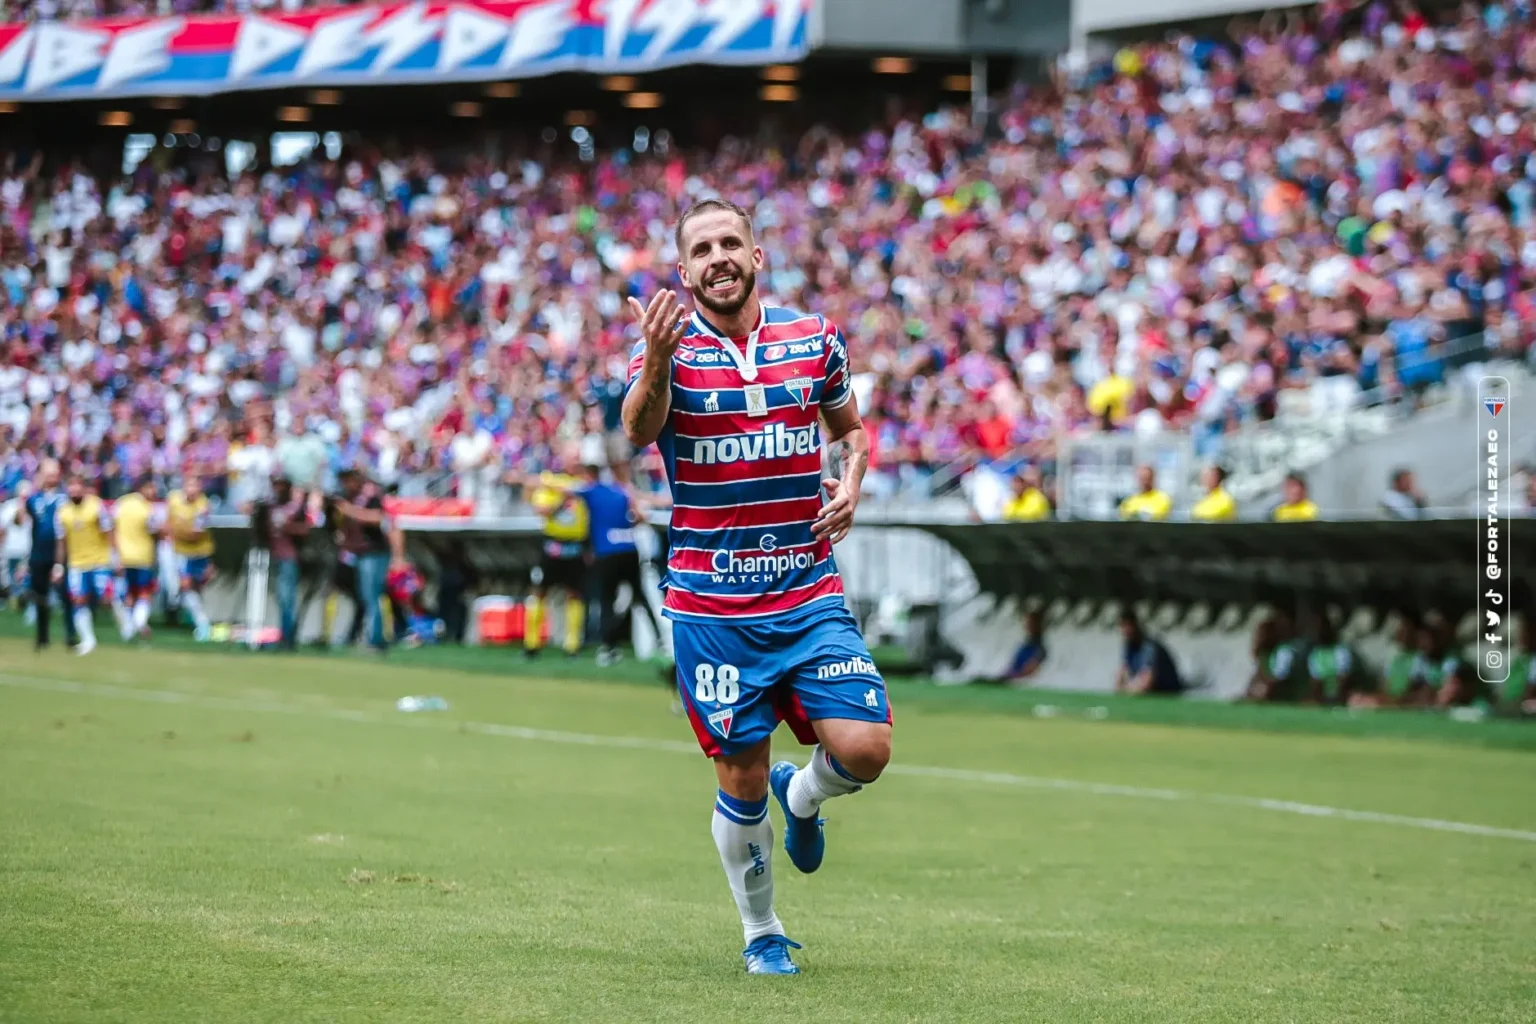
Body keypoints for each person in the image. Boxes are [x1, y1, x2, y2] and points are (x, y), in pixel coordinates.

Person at [621, 198, 892, 976]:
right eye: (701, 249)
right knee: (738, 778)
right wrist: (660, 359)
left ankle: (802, 795)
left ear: (757, 253)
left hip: (808, 593)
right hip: (712, 607)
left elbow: (849, 430)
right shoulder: (665, 348)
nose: (718, 257)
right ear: (684, 271)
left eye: (729, 242)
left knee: (866, 748)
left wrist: (852, 480)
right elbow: (640, 429)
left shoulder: (814, 338)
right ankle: (762, 931)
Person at [577, 461, 663, 667]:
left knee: (607, 600)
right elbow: (640, 516)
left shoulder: (592, 491)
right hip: (628, 549)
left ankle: (608, 647)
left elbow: (563, 489)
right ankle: (660, 639)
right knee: (639, 597)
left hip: (607, 553)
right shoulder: (624, 492)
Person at [517, 462, 591, 659]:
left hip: (576, 547)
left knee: (574, 595)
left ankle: (572, 645)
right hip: (552, 547)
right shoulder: (549, 486)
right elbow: (541, 509)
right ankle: (531, 644)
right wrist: (562, 499)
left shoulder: (581, 487)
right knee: (540, 592)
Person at [57, 472, 119, 655]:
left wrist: (115, 556)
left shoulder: (96, 506)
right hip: (77, 563)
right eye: (71, 485)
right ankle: (88, 640)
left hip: (99, 561)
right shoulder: (63, 511)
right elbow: (61, 541)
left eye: (77, 485)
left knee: (107, 599)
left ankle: (127, 628)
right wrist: (59, 565)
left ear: (83, 488)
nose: (74, 489)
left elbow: (108, 531)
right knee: (78, 599)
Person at [261, 474, 323, 650]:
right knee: (281, 599)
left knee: (287, 598)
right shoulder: (270, 506)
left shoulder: (296, 508)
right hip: (275, 555)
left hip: (290, 557)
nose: (278, 488)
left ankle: (288, 638)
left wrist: (288, 527)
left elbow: (306, 529)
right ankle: (284, 636)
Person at [333, 468, 392, 652]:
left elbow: (377, 518)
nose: (346, 484)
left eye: (349, 480)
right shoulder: (347, 498)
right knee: (364, 596)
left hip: (373, 553)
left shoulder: (371, 496)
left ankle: (376, 641)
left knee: (371, 596)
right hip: (357, 554)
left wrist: (350, 511)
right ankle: (365, 636)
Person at [18, 460, 73, 650]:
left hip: (60, 553)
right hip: (38, 554)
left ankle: (70, 635)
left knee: (66, 596)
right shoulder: (34, 499)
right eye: (49, 473)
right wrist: (21, 498)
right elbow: (20, 520)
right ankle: (42, 637)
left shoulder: (64, 498)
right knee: (40, 596)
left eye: (55, 473)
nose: (53, 476)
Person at [166, 474, 216, 642]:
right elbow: (167, 522)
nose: (192, 490)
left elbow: (195, 534)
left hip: (201, 551)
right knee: (185, 586)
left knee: (197, 588)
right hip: (181, 552)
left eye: (195, 486)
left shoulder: (203, 505)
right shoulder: (173, 500)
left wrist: (176, 531)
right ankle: (202, 624)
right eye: (189, 485)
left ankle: (199, 620)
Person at [113, 475, 163, 642]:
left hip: (123, 556)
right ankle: (138, 622)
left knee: (128, 593)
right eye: (151, 488)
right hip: (143, 556)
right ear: (143, 488)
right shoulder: (147, 508)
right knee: (143, 591)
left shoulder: (121, 503)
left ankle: (128, 629)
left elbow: (112, 527)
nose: (154, 492)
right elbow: (155, 530)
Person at [1115, 610, 1183, 695]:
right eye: (1123, 626)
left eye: (1128, 625)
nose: (1126, 630)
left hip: (1167, 692)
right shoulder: (1129, 646)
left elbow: (1146, 683)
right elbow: (1121, 674)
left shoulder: (1149, 647)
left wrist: (1127, 690)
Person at [2, 481, 30, 611]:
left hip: (26, 548)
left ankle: (22, 601)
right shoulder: (9, 506)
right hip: (11, 548)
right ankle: (13, 601)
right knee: (10, 577)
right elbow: (3, 529)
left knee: (23, 577)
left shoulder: (34, 506)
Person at [1002, 609, 1047, 681]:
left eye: (1029, 622)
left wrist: (1012, 677)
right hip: (1011, 676)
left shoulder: (1039, 647)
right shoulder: (1028, 642)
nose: (1026, 624)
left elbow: (1030, 671)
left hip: (1019, 681)